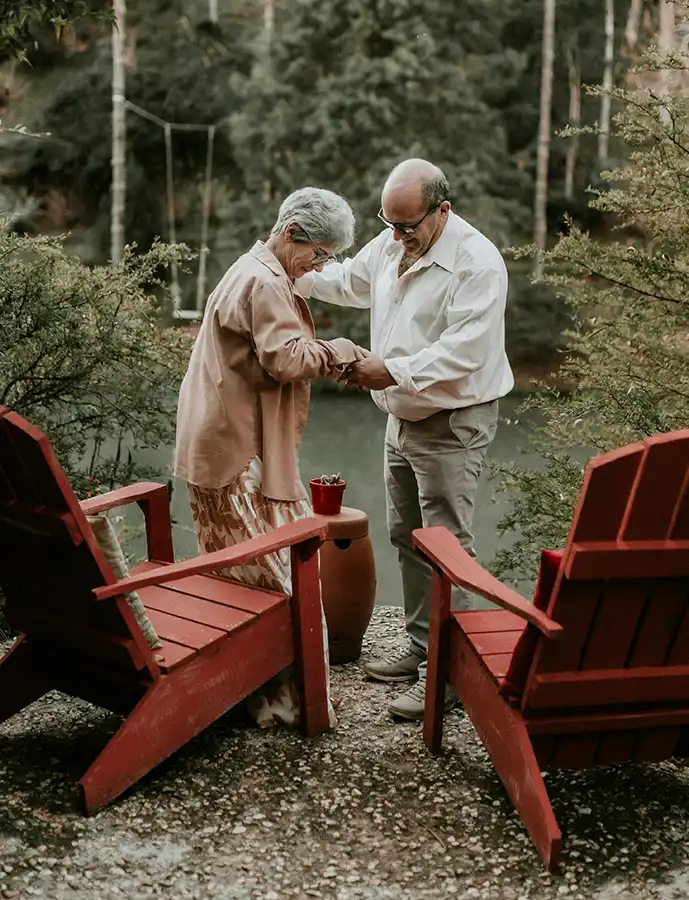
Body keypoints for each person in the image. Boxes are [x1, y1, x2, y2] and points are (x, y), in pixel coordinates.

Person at [296, 159, 513, 721]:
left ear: (442, 210)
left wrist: (387, 370)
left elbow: (463, 354)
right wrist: (289, 269)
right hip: (402, 416)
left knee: (447, 549)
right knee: (407, 537)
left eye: (407, 226)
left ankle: (451, 675)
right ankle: (422, 646)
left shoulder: (477, 262)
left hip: (452, 419)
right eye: (388, 224)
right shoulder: (395, 238)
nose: (395, 237)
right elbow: (350, 281)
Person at [174, 186, 368, 729]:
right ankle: (289, 707)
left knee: (240, 580)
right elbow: (286, 359)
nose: (320, 265)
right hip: (240, 456)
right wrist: (343, 351)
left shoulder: (252, 268)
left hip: (216, 447)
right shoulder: (265, 282)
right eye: (320, 253)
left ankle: (253, 699)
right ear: (291, 234)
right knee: (288, 583)